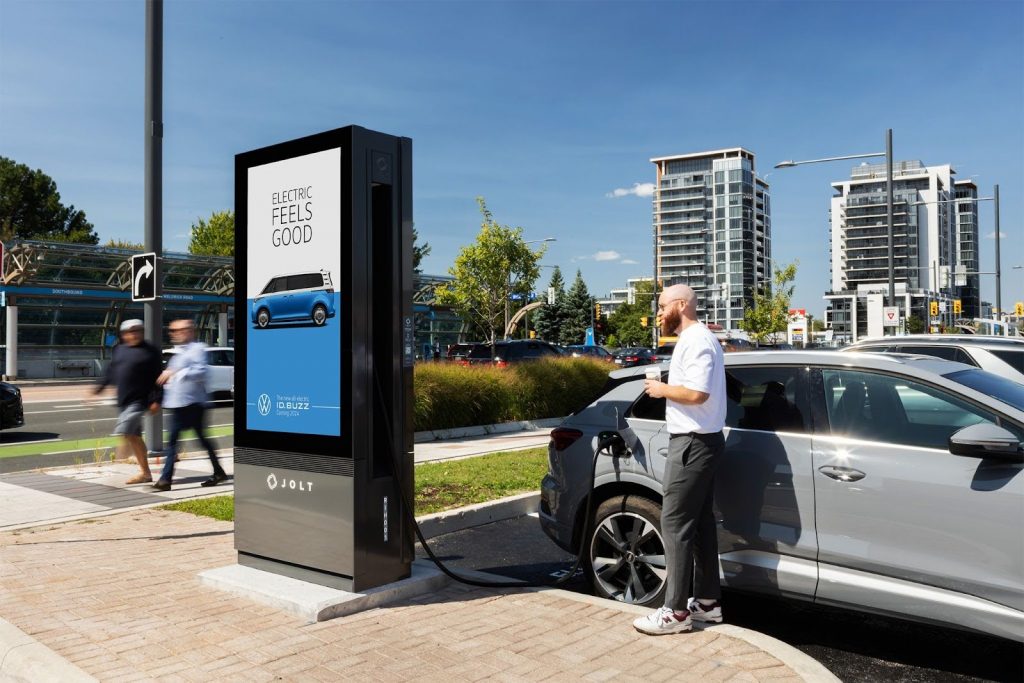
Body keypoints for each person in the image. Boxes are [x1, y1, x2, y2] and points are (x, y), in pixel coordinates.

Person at [632, 284, 727, 635]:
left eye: (661, 306)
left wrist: (661, 389)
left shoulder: (697, 340)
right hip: (702, 442)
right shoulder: (696, 340)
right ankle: (706, 604)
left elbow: (698, 393)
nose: (657, 313)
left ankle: (674, 612)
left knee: (674, 524)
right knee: (699, 523)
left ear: (681, 304)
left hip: (691, 444)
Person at [151, 319, 228, 491]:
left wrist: (177, 372)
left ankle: (165, 480)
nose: (175, 334)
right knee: (199, 441)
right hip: (180, 404)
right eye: (172, 331)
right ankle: (218, 472)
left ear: (190, 331)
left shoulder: (197, 349)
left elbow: (201, 372)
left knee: (174, 442)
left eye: (179, 330)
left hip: (193, 404)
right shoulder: (178, 353)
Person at [94, 319, 162, 484]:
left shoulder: (151, 351)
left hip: (140, 400)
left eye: (138, 330)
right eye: (130, 331)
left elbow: (158, 378)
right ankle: (146, 474)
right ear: (124, 335)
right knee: (135, 437)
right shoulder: (120, 350)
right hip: (124, 400)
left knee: (125, 430)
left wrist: (157, 400)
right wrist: (98, 389)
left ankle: (121, 455)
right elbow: (111, 372)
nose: (135, 334)